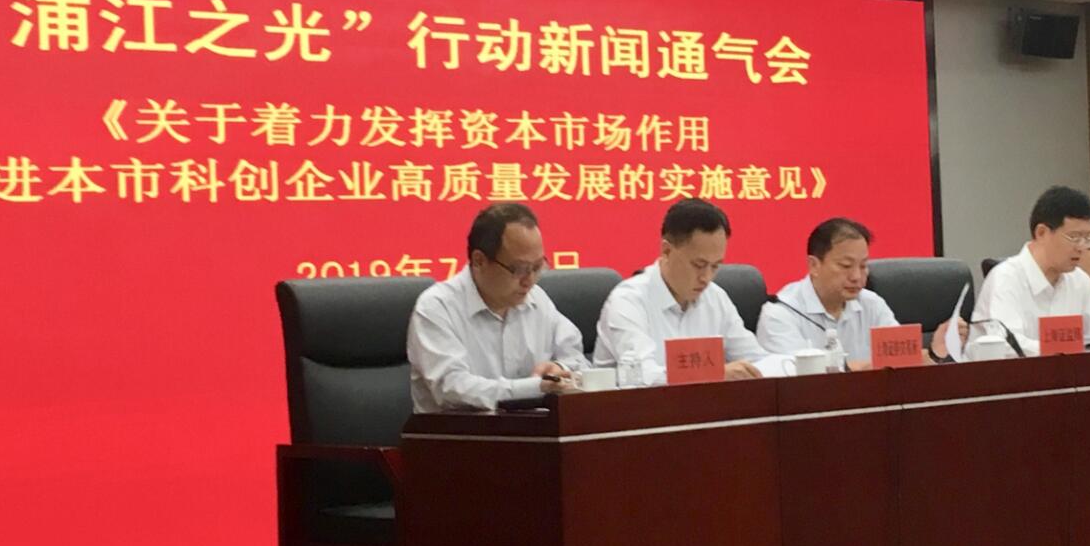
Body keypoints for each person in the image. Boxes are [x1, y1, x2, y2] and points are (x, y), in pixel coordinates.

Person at [407, 203, 586, 412]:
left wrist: (560, 370)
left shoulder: (537, 300)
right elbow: (453, 389)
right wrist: (536, 388)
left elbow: (578, 361)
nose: (529, 280)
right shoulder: (436, 308)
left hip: (533, 430)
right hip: (462, 431)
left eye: (537, 267)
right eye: (519, 269)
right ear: (479, 261)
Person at [593, 198, 777, 384]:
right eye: (699, 265)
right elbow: (641, 378)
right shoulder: (628, 301)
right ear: (666, 251)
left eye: (715, 266)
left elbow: (756, 360)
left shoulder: (715, 297)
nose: (706, 277)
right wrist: (714, 374)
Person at [756, 217, 964, 368]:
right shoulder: (780, 314)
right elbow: (794, 379)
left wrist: (936, 353)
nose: (857, 276)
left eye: (863, 266)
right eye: (846, 266)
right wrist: (863, 370)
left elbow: (903, 364)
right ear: (814, 265)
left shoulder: (872, 304)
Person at [971, 186, 1090, 355]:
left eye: (1086, 238)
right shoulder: (1005, 278)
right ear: (1042, 233)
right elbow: (1007, 347)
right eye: (1074, 237)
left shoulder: (1079, 280)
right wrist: (1074, 351)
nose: (1081, 247)